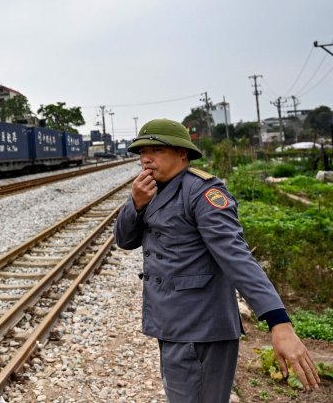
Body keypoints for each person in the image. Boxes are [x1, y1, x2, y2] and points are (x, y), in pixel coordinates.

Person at [114, 119, 319, 402]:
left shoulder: (203, 193)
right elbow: (125, 240)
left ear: (182, 153)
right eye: (141, 152)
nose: (145, 158)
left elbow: (237, 257)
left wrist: (278, 321)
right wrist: (135, 204)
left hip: (201, 329)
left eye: (155, 150)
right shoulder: (150, 189)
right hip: (173, 323)